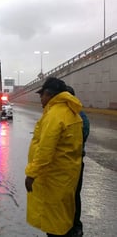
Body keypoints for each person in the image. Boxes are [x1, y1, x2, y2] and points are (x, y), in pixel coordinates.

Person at [25, 77, 83, 237]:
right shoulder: (71, 113)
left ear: (49, 94)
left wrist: (31, 173)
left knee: (54, 223)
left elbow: (45, 150)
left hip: (53, 178)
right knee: (62, 218)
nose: (40, 99)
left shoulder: (54, 116)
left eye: (41, 95)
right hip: (65, 176)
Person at [66, 85, 90, 237]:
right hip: (73, 162)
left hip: (73, 163)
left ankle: (75, 226)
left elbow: (81, 137)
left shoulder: (78, 115)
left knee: (73, 195)